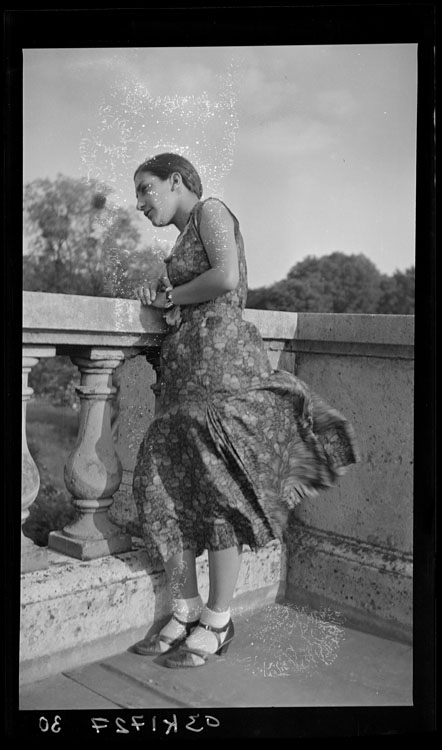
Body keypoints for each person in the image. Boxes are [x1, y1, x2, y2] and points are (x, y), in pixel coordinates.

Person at [132, 152, 359, 669]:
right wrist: (166, 297)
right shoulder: (182, 235)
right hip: (185, 375)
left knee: (217, 494)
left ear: (176, 180)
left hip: (220, 370)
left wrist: (172, 295)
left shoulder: (212, 210)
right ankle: (184, 608)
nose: (140, 204)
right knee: (165, 489)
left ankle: (216, 619)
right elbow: (183, 296)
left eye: (146, 189)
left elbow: (226, 279)